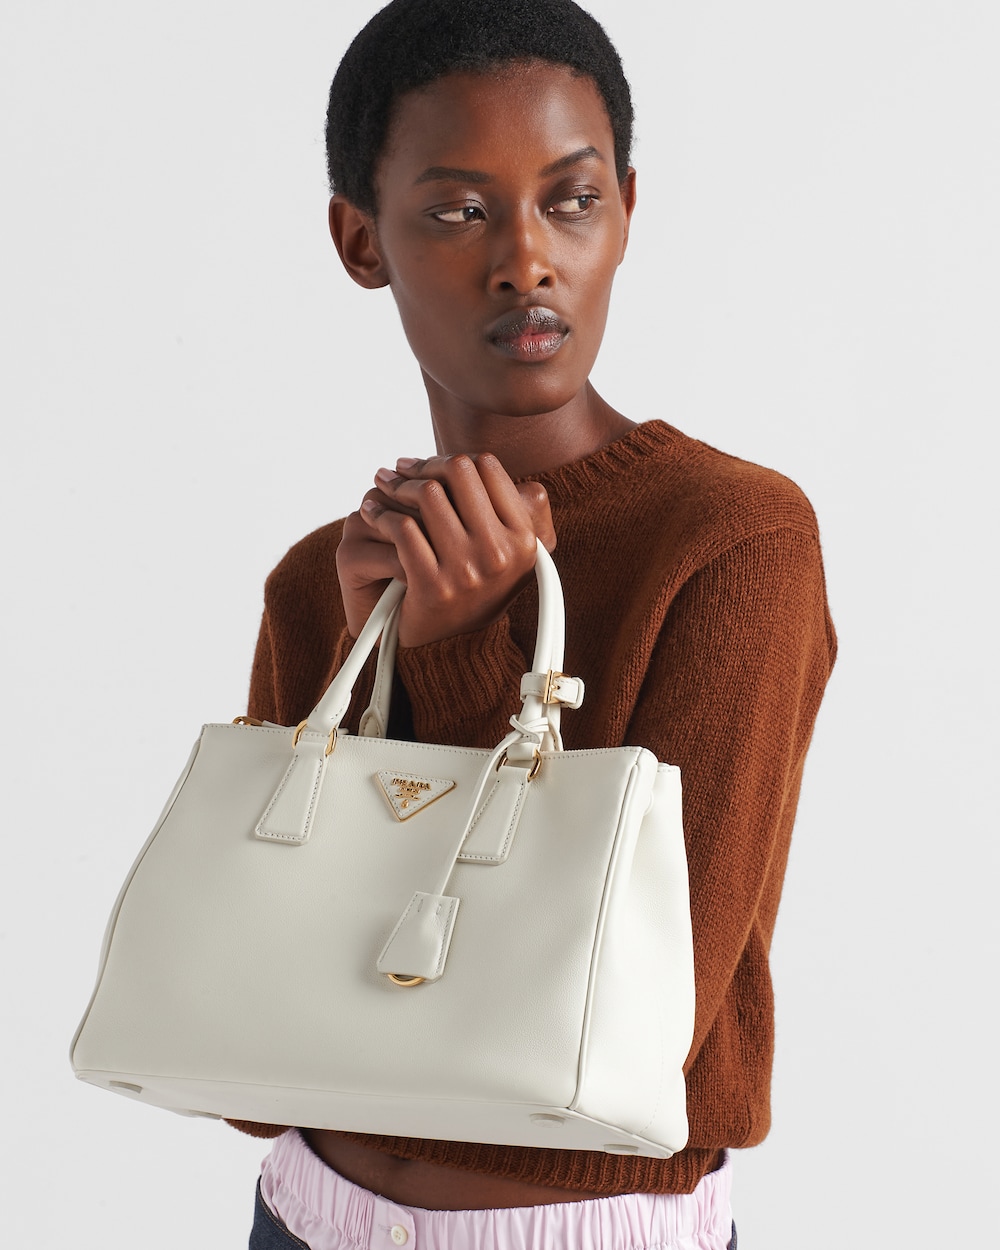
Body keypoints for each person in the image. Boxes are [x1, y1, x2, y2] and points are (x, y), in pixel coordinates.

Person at [236, 1, 836, 1246]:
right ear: (361, 238)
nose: (526, 259)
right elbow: (258, 1012)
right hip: (304, 1213)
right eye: (460, 211)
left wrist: (460, 652)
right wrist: (372, 657)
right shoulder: (323, 580)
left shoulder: (731, 541)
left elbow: (640, 1016)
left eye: (570, 200)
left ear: (625, 210)